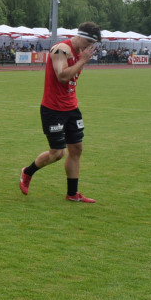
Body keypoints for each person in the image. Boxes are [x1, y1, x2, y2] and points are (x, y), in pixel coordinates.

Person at [19, 21, 101, 203]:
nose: (89, 48)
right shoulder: (60, 50)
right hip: (53, 108)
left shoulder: (80, 52)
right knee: (57, 153)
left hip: (71, 107)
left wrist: (81, 59)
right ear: (80, 37)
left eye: (92, 45)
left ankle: (72, 194)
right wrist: (82, 61)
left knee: (77, 149)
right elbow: (62, 76)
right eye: (88, 44)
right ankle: (27, 172)